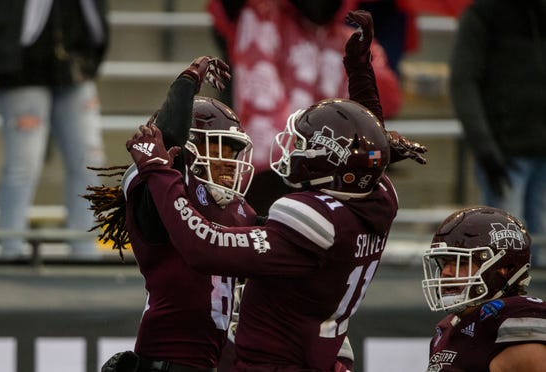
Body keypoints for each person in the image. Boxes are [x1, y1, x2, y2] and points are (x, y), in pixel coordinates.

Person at [124, 11, 426, 370]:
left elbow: (204, 247)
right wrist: (359, 72)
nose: (293, 152)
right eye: (218, 149)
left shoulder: (311, 221)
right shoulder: (377, 199)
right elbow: (366, 145)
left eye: (304, 146)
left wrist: (158, 168)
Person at [88, 55, 260, 372]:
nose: (229, 162)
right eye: (218, 148)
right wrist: (185, 85)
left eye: (233, 152)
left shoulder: (238, 209)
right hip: (169, 361)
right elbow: (168, 137)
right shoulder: (158, 192)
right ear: (185, 151)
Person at [207, 0, 403, 215]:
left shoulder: (351, 42)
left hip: (323, 174)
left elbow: (387, 99)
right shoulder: (260, 16)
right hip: (263, 168)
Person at [0, 0, 109, 258]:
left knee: (90, 159)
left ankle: (84, 250)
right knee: (23, 164)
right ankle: (11, 249)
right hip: (22, 67)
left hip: (74, 65)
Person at [448, 0, 546, 267]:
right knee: (506, 257)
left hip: (533, 153)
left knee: (529, 258)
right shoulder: (484, 14)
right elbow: (463, 80)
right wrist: (485, 147)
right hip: (504, 155)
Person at [421, 206, 546, 371]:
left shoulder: (514, 321)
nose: (446, 273)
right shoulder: (448, 328)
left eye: (461, 263)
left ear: (503, 269)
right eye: (444, 263)